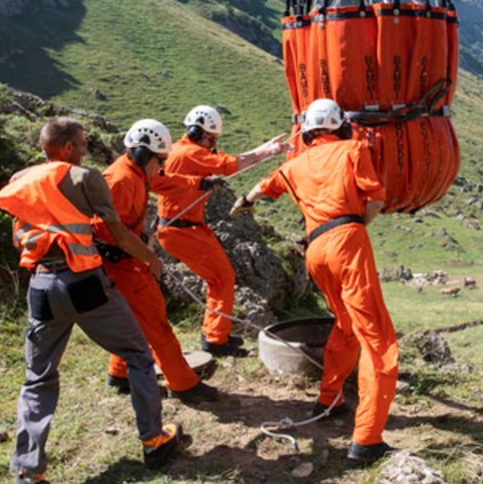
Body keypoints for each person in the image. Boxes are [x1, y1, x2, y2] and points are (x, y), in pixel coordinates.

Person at [0, 117, 182, 484]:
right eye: (80, 144)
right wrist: (151, 258)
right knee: (137, 353)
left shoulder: (21, 178)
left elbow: (18, 237)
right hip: (84, 285)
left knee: (37, 377)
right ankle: (154, 440)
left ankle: (29, 474)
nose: (85, 149)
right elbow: (116, 233)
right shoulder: (85, 178)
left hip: (41, 286)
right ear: (64, 148)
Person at [231, 99, 398, 463]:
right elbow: (375, 200)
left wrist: (243, 200)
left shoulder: (294, 165)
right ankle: (367, 438)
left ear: (307, 131)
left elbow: (262, 188)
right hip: (346, 242)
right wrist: (355, 227)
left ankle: (330, 398)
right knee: (377, 337)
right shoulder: (354, 149)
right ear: (340, 127)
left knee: (345, 324)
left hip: (316, 250)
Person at [95, 119, 218, 404]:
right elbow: (115, 234)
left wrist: (200, 182)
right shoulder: (122, 181)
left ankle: (121, 371)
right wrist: (150, 259)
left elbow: (167, 181)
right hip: (122, 262)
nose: (160, 166)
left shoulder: (136, 172)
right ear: (142, 154)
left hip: (125, 259)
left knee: (135, 321)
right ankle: (183, 383)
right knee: (156, 321)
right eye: (159, 160)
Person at [156, 104, 287, 357]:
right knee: (221, 279)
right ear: (196, 133)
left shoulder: (183, 150)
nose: (212, 144)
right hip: (182, 230)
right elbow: (230, 164)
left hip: (185, 228)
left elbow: (226, 160)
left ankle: (215, 335)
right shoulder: (191, 153)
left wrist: (262, 150)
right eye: (211, 139)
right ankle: (214, 339)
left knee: (220, 277)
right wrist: (267, 152)